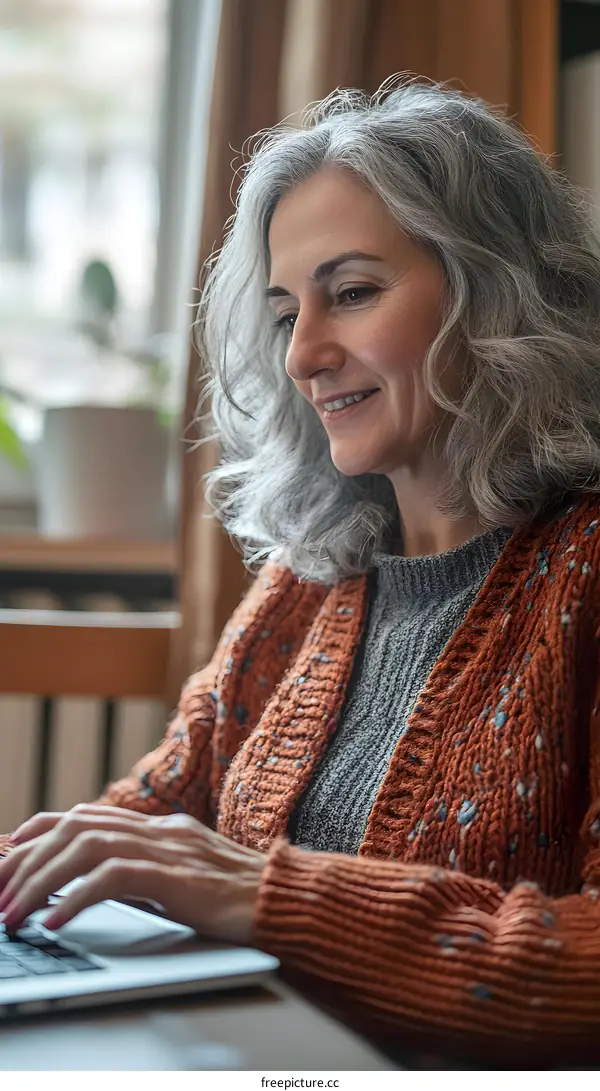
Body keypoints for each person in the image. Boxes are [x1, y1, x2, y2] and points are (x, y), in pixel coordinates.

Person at [3, 74, 600, 1066]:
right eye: (287, 313)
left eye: (353, 292)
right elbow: (151, 814)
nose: (305, 354)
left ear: (500, 288)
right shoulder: (311, 581)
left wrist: (260, 891)